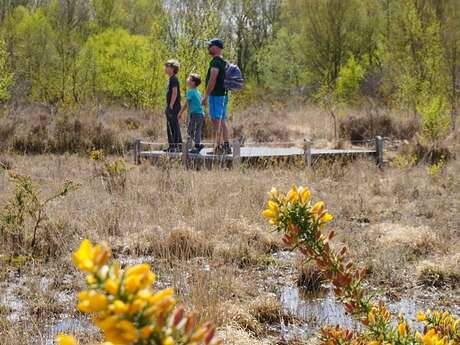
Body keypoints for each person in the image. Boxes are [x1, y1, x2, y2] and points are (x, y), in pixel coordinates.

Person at [202, 38, 231, 155]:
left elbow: (212, 79)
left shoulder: (215, 62)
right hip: (223, 95)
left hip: (216, 96)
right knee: (221, 121)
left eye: (210, 46)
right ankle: (226, 146)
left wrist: (205, 96)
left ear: (217, 48)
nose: (208, 48)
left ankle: (219, 147)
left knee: (216, 121)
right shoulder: (224, 62)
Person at [179, 73, 205, 154]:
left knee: (190, 130)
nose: (187, 80)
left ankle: (197, 145)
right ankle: (197, 145)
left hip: (195, 114)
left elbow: (186, 104)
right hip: (201, 114)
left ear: (193, 82)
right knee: (197, 130)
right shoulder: (198, 92)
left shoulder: (191, 92)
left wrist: (180, 113)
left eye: (189, 79)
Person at [164, 59, 182, 152]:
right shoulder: (171, 79)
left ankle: (176, 146)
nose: (165, 68)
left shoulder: (174, 79)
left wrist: (170, 105)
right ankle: (173, 146)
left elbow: (174, 93)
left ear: (172, 68)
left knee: (173, 125)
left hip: (173, 107)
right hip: (171, 106)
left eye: (167, 66)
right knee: (170, 125)